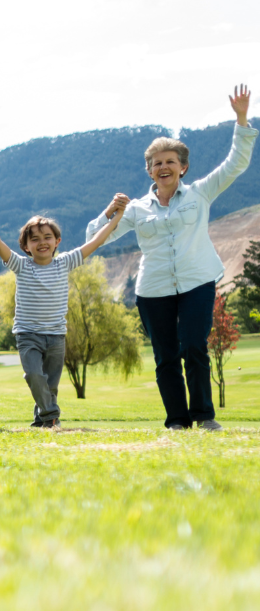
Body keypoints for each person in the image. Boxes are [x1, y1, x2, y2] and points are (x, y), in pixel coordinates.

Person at [90, 85, 254, 431]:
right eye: (157, 164)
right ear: (149, 171)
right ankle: (177, 421)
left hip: (197, 282)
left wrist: (241, 118)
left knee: (194, 347)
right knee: (165, 358)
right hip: (153, 291)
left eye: (170, 162)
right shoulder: (134, 209)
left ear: (183, 167)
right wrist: (109, 213)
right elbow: (95, 238)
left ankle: (204, 417)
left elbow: (236, 163)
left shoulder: (200, 193)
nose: (164, 168)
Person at [0, 192, 130, 428]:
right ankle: (51, 417)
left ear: (57, 242)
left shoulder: (65, 262)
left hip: (57, 337)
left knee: (51, 386)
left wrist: (117, 216)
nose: (42, 243)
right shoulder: (21, 265)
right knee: (34, 376)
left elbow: (96, 242)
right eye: (35, 239)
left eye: (47, 237)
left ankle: (42, 419)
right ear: (26, 247)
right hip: (28, 335)